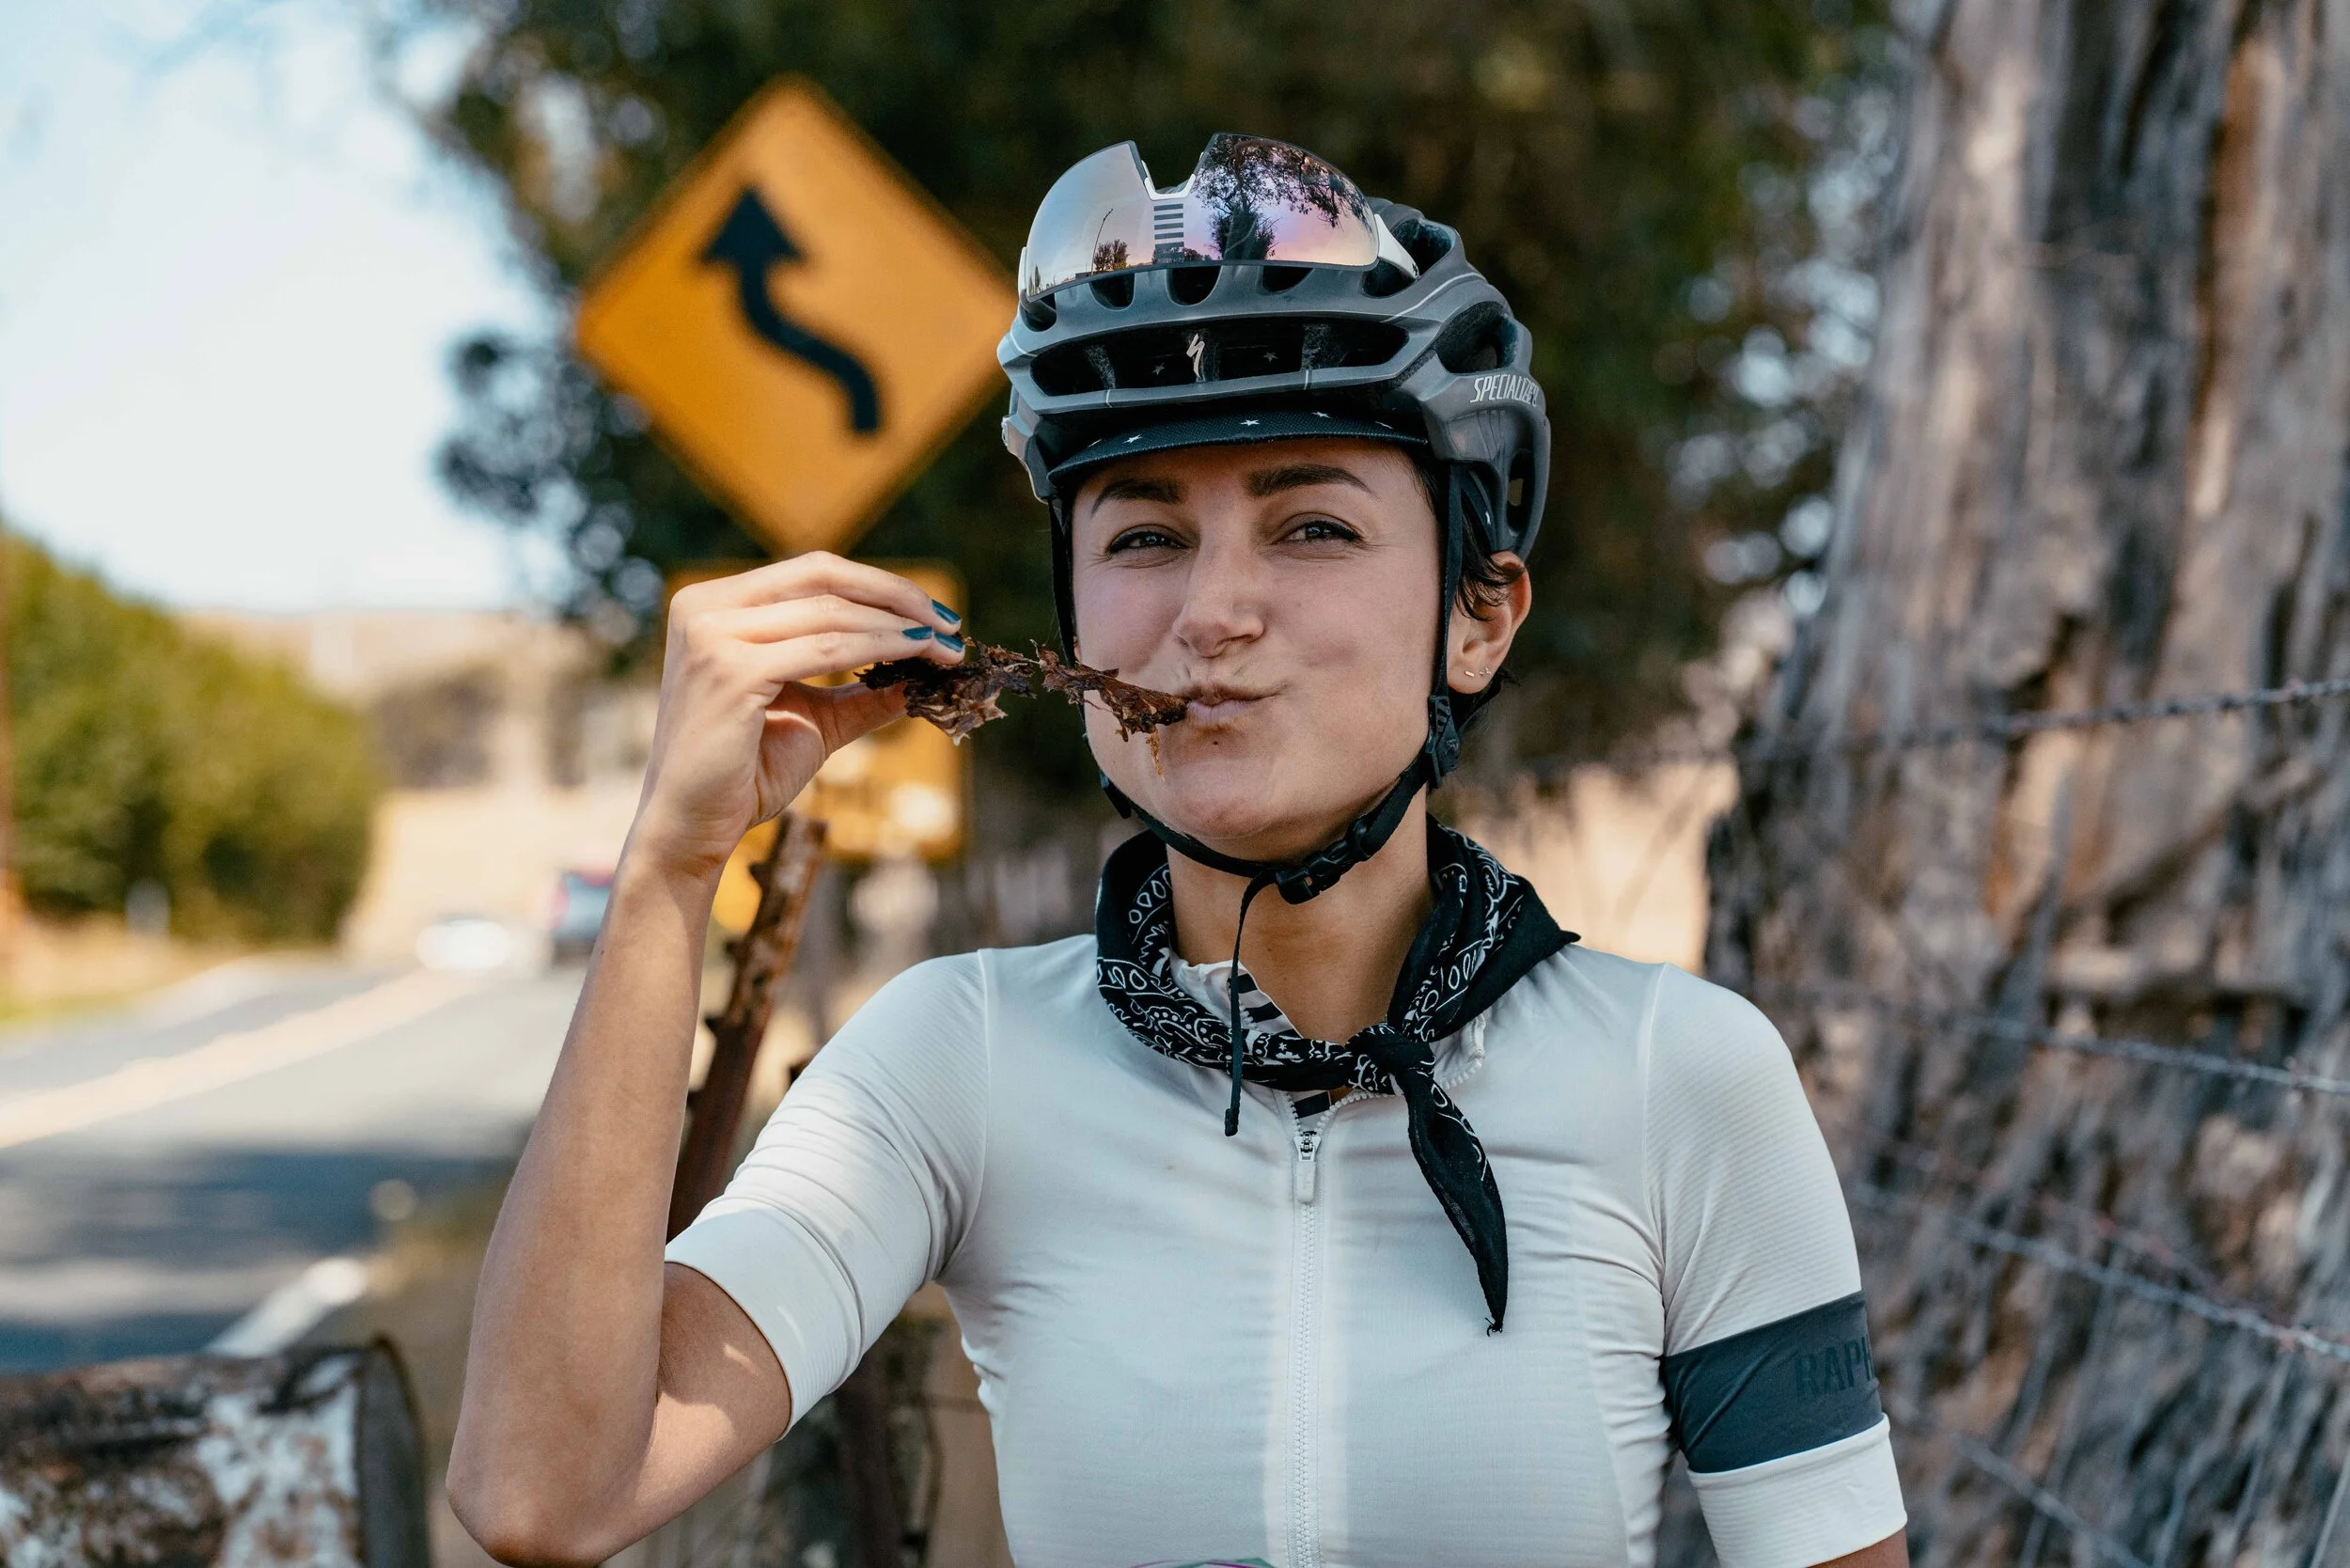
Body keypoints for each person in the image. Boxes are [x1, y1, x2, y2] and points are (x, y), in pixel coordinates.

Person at [450, 133, 1908, 1568]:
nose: (1213, 611)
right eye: (1143, 538)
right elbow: (546, 1491)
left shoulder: (1678, 1078)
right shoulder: (956, 1062)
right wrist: (670, 869)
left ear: (1479, 619)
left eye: (1313, 528)